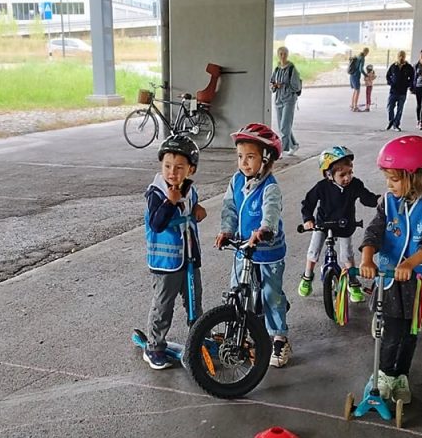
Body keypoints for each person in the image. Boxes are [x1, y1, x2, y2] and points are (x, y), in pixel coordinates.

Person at [359, 136, 422, 403]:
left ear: (416, 176)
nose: (389, 184)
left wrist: (410, 264)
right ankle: (383, 374)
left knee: (411, 332)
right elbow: (374, 231)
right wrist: (367, 258)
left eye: (394, 179)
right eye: (387, 178)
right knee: (393, 332)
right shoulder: (387, 201)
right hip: (389, 279)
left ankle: (400, 375)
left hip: (417, 280)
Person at [215, 123, 291, 368]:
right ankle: (236, 331)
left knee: (271, 294)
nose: (244, 163)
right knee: (236, 288)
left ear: (265, 158)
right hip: (243, 248)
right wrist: (227, 230)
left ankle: (278, 336)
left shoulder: (270, 187)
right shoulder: (236, 181)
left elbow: (271, 211)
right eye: (240, 157)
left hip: (268, 251)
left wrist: (265, 229)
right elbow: (230, 208)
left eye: (250, 157)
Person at [144, 133, 206, 370]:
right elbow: (156, 224)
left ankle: (198, 338)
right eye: (168, 166)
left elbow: (189, 212)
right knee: (163, 305)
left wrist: (198, 210)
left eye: (179, 167)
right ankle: (154, 346)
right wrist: (169, 202)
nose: (172, 172)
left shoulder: (190, 190)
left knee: (194, 302)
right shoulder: (157, 192)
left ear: (191, 170)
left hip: (189, 258)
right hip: (166, 262)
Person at [298, 146, 379, 302]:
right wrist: (308, 219)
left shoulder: (355, 185)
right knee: (313, 251)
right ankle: (308, 276)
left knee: (347, 255)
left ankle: (353, 283)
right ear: (329, 174)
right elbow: (308, 202)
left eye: (350, 173)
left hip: (345, 225)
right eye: (342, 174)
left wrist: (377, 201)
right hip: (322, 224)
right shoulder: (321, 187)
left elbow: (365, 197)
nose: (347, 177)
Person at [270, 46, 301, 155]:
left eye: (284, 54)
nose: (282, 56)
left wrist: (284, 85)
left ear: (287, 55)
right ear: (278, 55)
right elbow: (271, 83)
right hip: (278, 100)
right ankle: (294, 145)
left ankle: (281, 150)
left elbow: (296, 86)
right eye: (280, 54)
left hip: (289, 100)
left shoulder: (292, 68)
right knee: (282, 126)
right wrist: (275, 86)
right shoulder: (277, 68)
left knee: (284, 126)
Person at [385, 50, 415, 131]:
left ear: (405, 57)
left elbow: (412, 78)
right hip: (393, 91)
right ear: (397, 56)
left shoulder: (409, 67)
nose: (401, 57)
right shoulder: (393, 66)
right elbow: (388, 76)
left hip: (402, 92)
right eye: (400, 56)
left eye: (403, 56)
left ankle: (396, 124)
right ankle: (391, 121)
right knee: (390, 107)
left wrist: (409, 85)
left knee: (400, 109)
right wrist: (390, 83)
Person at [349, 47, 370, 112]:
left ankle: (352, 105)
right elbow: (360, 69)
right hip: (356, 76)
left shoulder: (358, 56)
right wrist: (366, 75)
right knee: (357, 91)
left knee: (355, 90)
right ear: (366, 52)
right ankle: (355, 107)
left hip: (352, 75)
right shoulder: (362, 58)